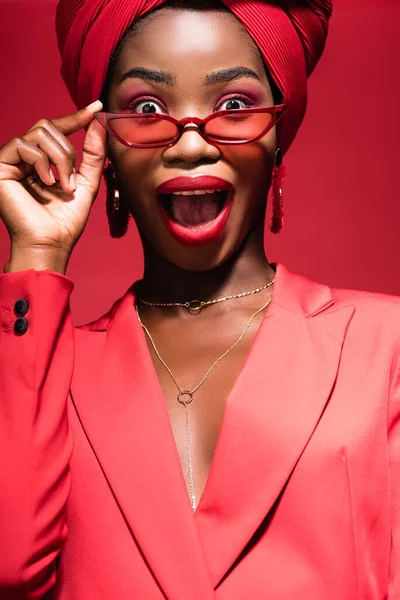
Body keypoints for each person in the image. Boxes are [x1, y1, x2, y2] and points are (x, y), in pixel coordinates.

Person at [0, 0, 399, 598]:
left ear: (277, 139)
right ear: (104, 149)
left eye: (235, 106)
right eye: (147, 108)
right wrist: (37, 253)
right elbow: (9, 567)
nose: (190, 146)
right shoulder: (43, 366)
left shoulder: (384, 346)